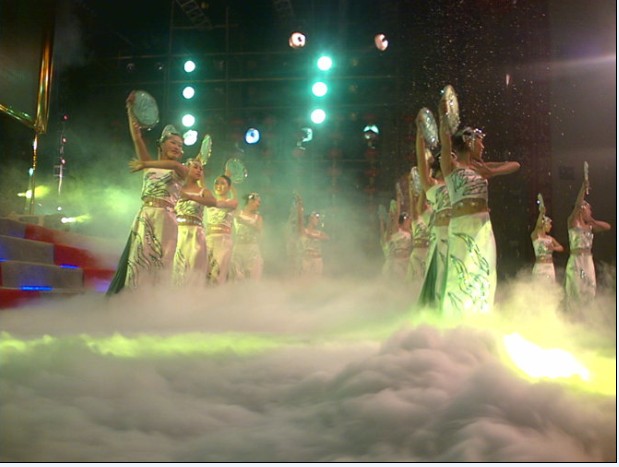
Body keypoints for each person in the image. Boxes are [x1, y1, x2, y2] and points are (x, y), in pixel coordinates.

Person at [438, 96, 521, 316]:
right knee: (460, 271)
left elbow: (515, 165)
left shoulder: (482, 168)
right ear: (469, 142)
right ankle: (455, 318)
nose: (483, 146)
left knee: (484, 270)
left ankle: (479, 317)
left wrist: (490, 171)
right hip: (461, 226)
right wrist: (443, 115)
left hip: (483, 227)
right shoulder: (450, 166)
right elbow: (445, 141)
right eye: (480, 142)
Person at [107, 93, 188, 295]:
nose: (178, 148)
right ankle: (134, 301)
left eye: (180, 146)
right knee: (138, 261)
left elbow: (172, 165)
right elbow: (137, 136)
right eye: (173, 143)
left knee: (161, 262)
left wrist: (145, 163)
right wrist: (130, 111)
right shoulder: (150, 164)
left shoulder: (181, 169)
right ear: (161, 144)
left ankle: (156, 302)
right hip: (145, 216)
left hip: (166, 219)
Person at [415, 111, 452, 307]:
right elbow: (422, 163)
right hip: (441, 237)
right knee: (440, 279)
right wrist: (420, 136)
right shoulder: (433, 186)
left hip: (461, 234)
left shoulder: (460, 181)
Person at [172, 158, 221, 287]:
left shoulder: (203, 191)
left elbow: (213, 202)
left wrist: (191, 197)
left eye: (201, 169)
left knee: (194, 269)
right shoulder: (176, 188)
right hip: (177, 232)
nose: (199, 170)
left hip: (195, 234)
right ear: (186, 168)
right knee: (175, 268)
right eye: (195, 167)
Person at [564, 179, 611, 309]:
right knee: (576, 289)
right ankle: (573, 314)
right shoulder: (573, 222)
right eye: (589, 209)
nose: (591, 212)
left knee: (589, 288)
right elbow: (577, 205)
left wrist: (592, 221)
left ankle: (587, 314)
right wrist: (583, 189)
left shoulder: (590, 226)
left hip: (588, 260)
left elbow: (607, 227)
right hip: (576, 260)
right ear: (582, 209)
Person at [205, 174, 238, 285]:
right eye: (216, 183)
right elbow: (201, 185)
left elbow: (221, 203)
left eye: (222, 183)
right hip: (208, 240)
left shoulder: (232, 202)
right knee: (205, 273)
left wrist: (207, 201)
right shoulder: (209, 200)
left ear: (229, 187)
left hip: (223, 241)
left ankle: (218, 295)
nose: (218, 186)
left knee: (218, 274)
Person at [381, 185, 413, 281]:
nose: (408, 220)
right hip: (397, 263)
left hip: (408, 262)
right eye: (406, 218)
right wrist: (398, 199)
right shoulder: (396, 230)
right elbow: (397, 215)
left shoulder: (411, 232)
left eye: (408, 218)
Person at [231, 192, 264, 280]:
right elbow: (233, 202)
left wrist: (245, 222)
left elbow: (259, 229)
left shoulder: (258, 217)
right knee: (237, 272)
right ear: (250, 201)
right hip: (239, 247)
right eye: (258, 201)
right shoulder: (239, 213)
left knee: (251, 273)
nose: (259, 204)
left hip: (252, 248)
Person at [530, 197, 564, 282]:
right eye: (549, 224)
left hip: (549, 267)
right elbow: (538, 226)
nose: (551, 226)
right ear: (544, 224)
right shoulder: (535, 236)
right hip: (540, 267)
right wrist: (541, 213)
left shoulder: (550, 238)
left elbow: (561, 247)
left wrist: (553, 248)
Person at [295, 194, 329, 277]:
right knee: (305, 279)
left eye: (318, 218)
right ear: (311, 218)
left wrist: (315, 236)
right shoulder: (304, 231)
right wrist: (300, 207)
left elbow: (327, 238)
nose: (318, 220)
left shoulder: (319, 232)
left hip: (317, 260)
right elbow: (299, 221)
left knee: (316, 279)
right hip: (307, 260)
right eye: (316, 218)